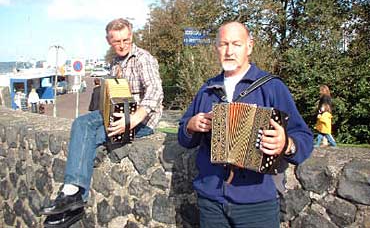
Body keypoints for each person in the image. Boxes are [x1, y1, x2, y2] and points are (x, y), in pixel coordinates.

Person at [178, 22, 313, 228]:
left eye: (236, 44)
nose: (229, 51)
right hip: (211, 201)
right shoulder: (207, 89)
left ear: (249, 47)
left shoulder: (272, 86)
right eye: (223, 44)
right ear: (216, 48)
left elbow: (303, 137)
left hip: (257, 203)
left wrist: (286, 144)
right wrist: (191, 125)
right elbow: (184, 137)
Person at [40, 18, 164, 226]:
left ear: (131, 36)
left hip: (141, 120)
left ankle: (74, 195)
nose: (123, 45)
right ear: (109, 41)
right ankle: (74, 196)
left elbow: (156, 91)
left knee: (88, 134)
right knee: (81, 125)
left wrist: (133, 119)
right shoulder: (115, 62)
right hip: (118, 114)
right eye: (117, 41)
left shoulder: (143, 58)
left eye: (126, 39)